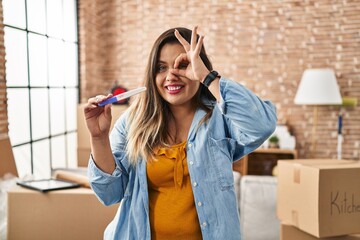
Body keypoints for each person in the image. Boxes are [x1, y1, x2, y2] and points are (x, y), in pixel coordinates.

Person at [84, 26, 277, 240]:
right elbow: (109, 194)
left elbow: (262, 125)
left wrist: (207, 76)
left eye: (182, 65)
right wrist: (98, 138)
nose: (171, 76)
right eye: (161, 67)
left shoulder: (220, 118)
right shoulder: (132, 122)